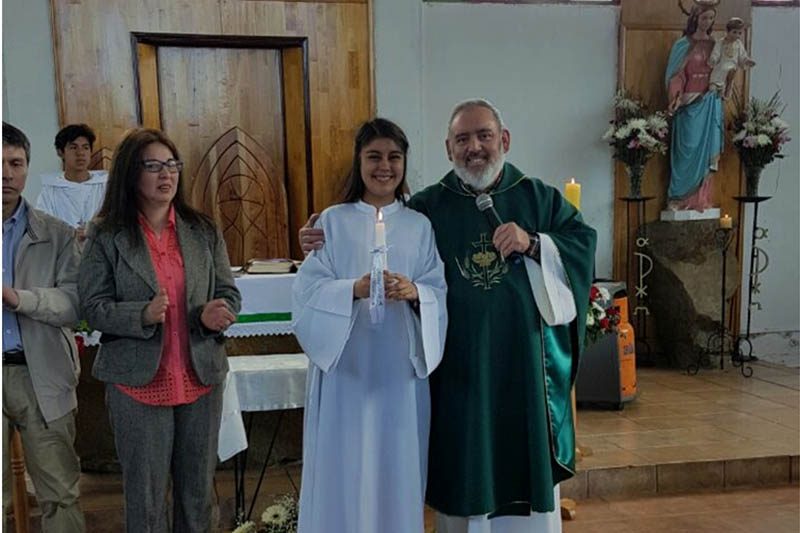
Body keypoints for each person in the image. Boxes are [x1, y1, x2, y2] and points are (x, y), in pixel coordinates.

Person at [301, 100, 596, 533]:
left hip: (523, 367)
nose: (474, 147)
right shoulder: (427, 209)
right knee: (460, 469)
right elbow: (373, 225)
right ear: (447, 148)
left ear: (505, 140)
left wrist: (534, 242)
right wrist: (318, 234)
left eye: (484, 136)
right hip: (457, 371)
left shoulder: (538, 197)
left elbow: (581, 245)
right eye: (462, 139)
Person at [78, 128, 241, 532]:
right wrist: (141, 315)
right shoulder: (106, 234)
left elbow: (228, 292)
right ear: (131, 174)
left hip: (199, 377)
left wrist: (213, 313)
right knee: (146, 497)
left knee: (197, 494)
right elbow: (92, 309)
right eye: (153, 166)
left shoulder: (202, 229)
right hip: (137, 383)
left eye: (171, 165)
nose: (166, 175)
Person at [292, 118, 448, 533]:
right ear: (358, 162)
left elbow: (438, 288)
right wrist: (352, 289)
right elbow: (308, 290)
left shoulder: (419, 225)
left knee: (395, 462)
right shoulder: (333, 220)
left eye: (394, 157)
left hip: (398, 367)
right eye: (374, 156)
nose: (385, 166)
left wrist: (416, 292)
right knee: (346, 462)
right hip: (348, 369)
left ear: (404, 163)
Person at [2, 122, 86, 532]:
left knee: (59, 493)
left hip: (42, 374)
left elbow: (74, 302)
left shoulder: (56, 234)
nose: (6, 174)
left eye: (15, 163)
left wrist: (20, 299)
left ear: (27, 168)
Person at [665, 3, 724, 211]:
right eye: (704, 18)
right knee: (687, 149)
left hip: (710, 103)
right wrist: (676, 95)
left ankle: (701, 199)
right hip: (689, 104)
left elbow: (724, 70)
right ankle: (679, 198)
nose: (708, 22)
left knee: (708, 152)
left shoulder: (717, 45)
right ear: (696, 19)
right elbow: (676, 75)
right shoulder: (684, 44)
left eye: (711, 18)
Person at [36, 124, 108, 240]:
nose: (80, 153)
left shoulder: (106, 186)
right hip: (64, 251)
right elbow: (42, 227)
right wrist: (70, 235)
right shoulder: (50, 191)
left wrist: (92, 231)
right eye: (73, 147)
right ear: (60, 152)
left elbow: (116, 221)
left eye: (85, 147)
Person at [708, 17, 756, 100]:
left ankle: (726, 93)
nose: (737, 35)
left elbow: (742, 56)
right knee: (713, 88)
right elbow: (716, 52)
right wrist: (714, 59)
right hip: (721, 67)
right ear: (727, 31)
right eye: (734, 32)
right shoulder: (721, 42)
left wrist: (747, 61)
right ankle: (717, 91)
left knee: (729, 83)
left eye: (739, 33)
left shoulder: (738, 44)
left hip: (732, 67)